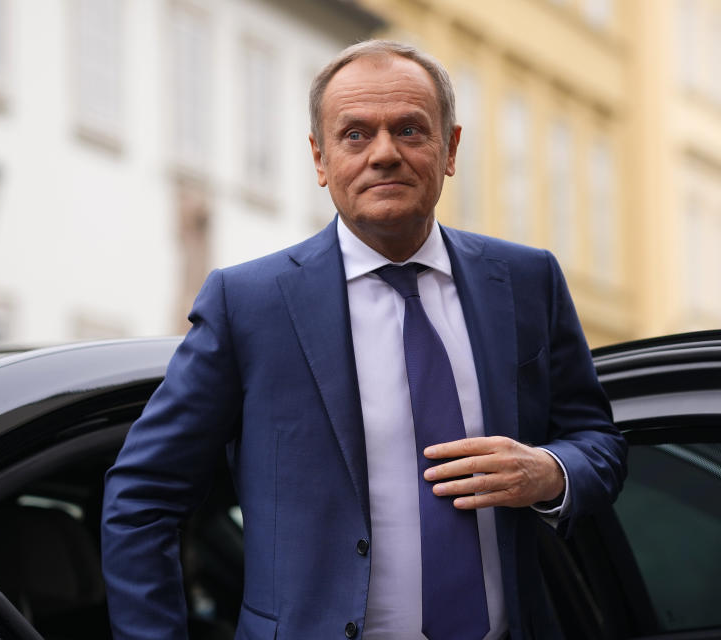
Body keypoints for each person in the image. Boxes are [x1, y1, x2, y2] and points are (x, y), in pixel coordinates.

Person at [102, 40, 627, 640]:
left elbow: (600, 444)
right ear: (320, 158)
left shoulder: (528, 282)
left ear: (450, 148)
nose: (384, 154)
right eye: (355, 134)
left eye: (409, 129)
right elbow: (142, 498)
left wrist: (550, 470)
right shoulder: (250, 304)